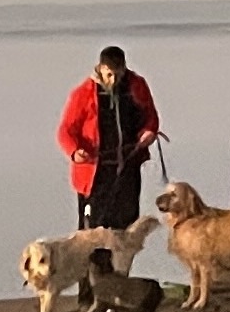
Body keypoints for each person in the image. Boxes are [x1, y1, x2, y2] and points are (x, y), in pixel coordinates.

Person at [59, 45, 162, 230]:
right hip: (95, 172)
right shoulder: (83, 93)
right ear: (101, 68)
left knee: (126, 226)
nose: (113, 80)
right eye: (109, 75)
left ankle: (123, 260)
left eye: (118, 74)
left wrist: (148, 132)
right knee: (92, 231)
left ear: (124, 68)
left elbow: (150, 116)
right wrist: (74, 151)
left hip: (127, 167)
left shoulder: (137, 85)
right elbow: (66, 130)